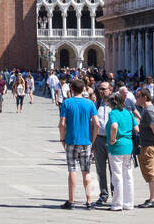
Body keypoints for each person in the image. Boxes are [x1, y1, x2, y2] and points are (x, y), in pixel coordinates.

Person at [58, 77, 98, 209]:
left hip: (71, 140)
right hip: (86, 141)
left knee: (72, 170)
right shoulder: (90, 104)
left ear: (72, 89)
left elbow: (62, 124)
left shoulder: (67, 103)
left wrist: (62, 139)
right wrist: (92, 140)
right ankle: (89, 201)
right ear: (84, 89)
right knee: (86, 172)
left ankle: (71, 201)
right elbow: (96, 124)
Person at [106, 94, 136, 212]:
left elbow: (114, 126)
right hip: (128, 146)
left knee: (117, 175)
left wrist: (113, 139)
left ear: (113, 103)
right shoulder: (129, 113)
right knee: (128, 175)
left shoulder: (113, 113)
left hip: (117, 147)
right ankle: (129, 203)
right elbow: (136, 128)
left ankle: (117, 203)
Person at [92, 81, 115, 206]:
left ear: (110, 90)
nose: (101, 91)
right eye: (100, 89)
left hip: (112, 139)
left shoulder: (115, 105)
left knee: (114, 169)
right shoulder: (96, 104)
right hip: (99, 139)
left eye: (104, 89)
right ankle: (103, 194)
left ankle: (115, 193)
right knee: (100, 169)